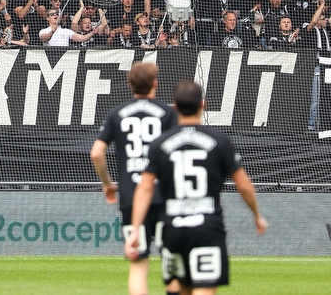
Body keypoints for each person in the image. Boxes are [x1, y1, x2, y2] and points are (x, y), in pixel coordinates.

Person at [126, 81, 268, 294]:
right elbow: (244, 185)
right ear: (203, 104)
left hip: (172, 227)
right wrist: (257, 215)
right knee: (204, 288)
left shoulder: (159, 144)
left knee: (180, 288)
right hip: (207, 228)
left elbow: (145, 188)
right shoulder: (219, 141)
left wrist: (136, 229)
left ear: (174, 106)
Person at [91, 63, 179, 295]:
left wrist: (108, 184)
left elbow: (97, 153)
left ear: (130, 84)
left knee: (138, 264)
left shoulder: (116, 114)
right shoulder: (167, 113)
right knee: (171, 261)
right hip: (165, 197)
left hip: (131, 197)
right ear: (155, 84)